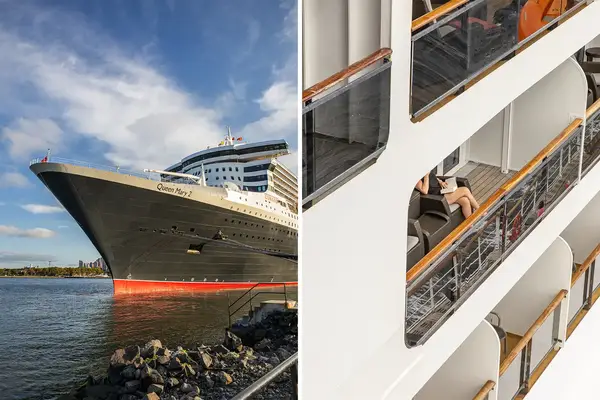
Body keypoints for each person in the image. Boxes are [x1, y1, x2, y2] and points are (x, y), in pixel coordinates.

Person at [415, 171, 480, 218]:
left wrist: (441, 182)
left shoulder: (427, 169)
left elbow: (434, 178)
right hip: (438, 198)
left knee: (465, 200)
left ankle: (469, 225)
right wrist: (426, 176)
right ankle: (480, 211)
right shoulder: (416, 178)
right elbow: (424, 191)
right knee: (465, 190)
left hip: (442, 191)